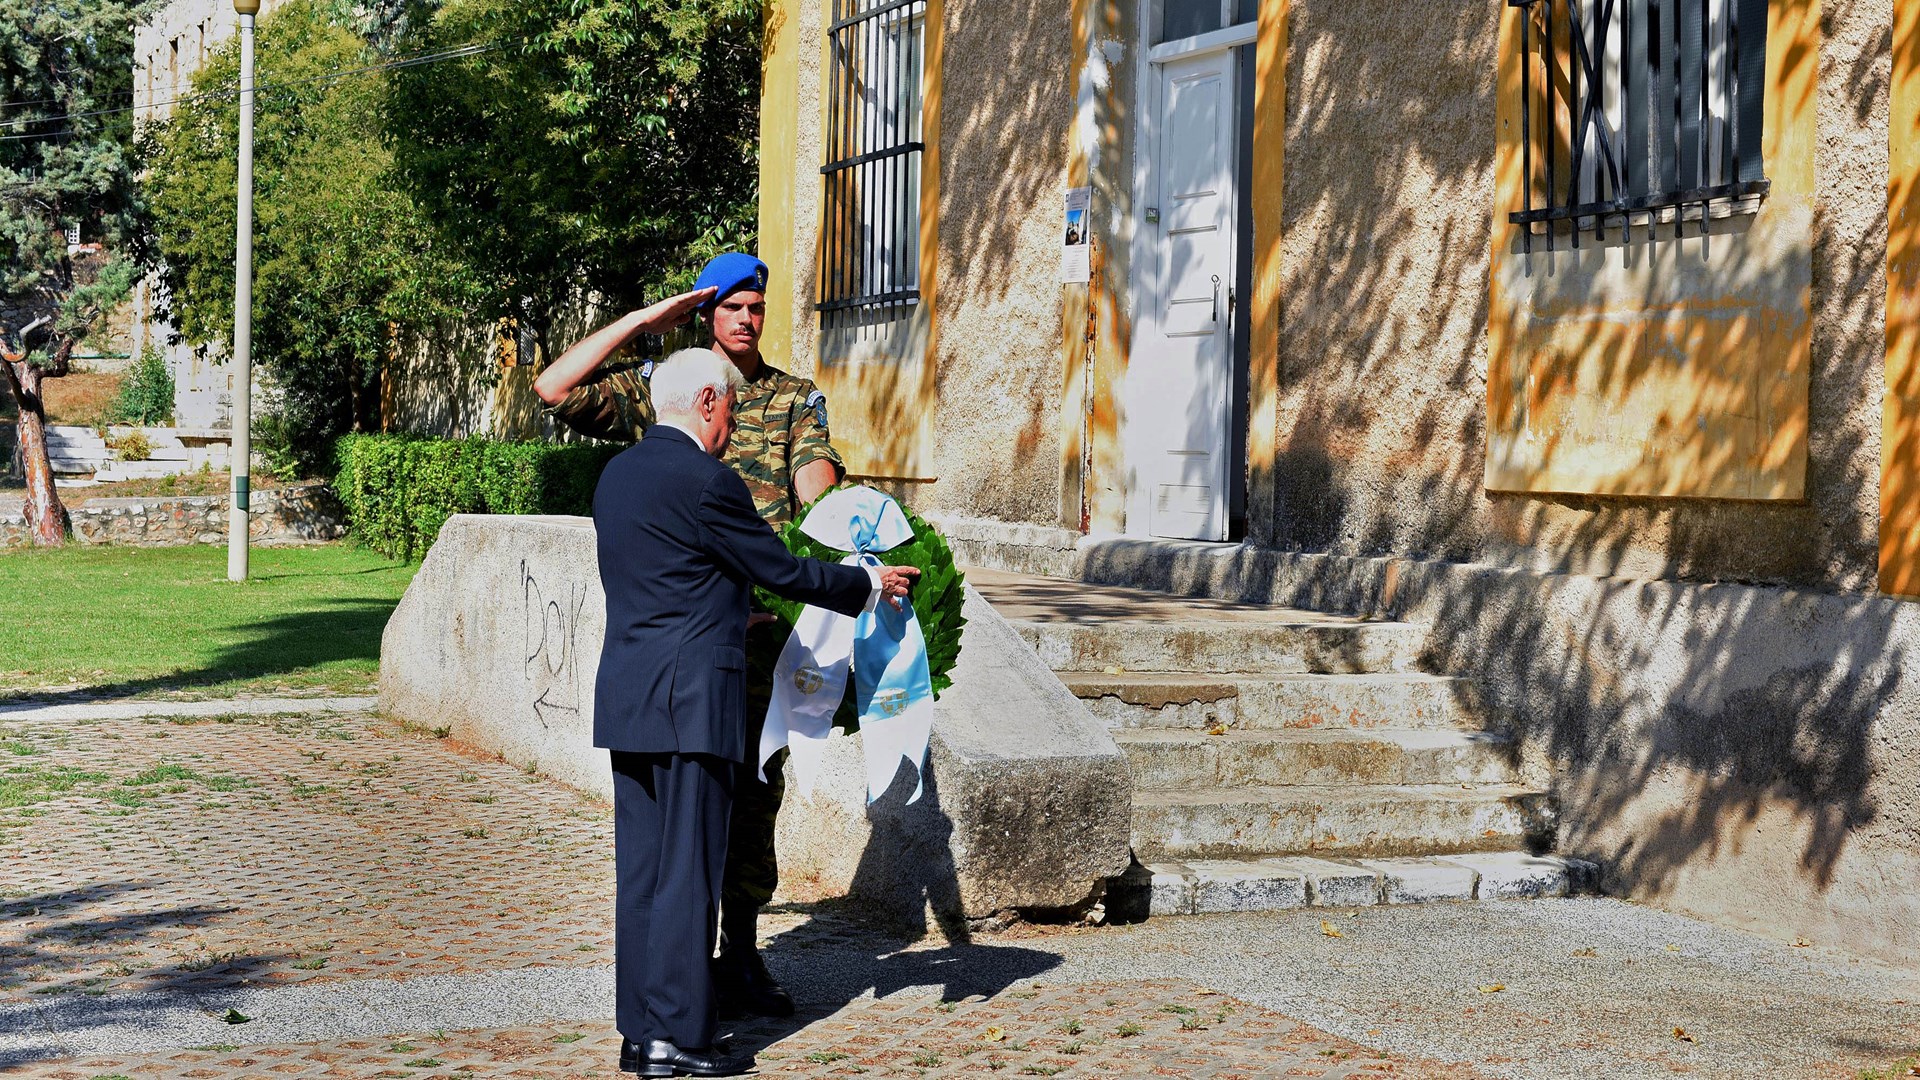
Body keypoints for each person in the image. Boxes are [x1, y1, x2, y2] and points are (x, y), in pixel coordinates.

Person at [593, 348, 918, 1077]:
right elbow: (780, 570)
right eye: (732, 411)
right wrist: (866, 581)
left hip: (629, 698)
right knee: (689, 872)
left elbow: (664, 578)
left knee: (642, 872)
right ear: (708, 401)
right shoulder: (709, 482)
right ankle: (680, 1038)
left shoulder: (617, 476)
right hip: (693, 702)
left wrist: (724, 612)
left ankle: (640, 1031)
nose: (733, 424)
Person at [535, 253, 836, 1019]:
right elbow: (555, 389)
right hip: (694, 631)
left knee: (752, 795)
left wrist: (844, 544)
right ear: (706, 313)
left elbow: (817, 489)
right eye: (731, 306)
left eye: (757, 307)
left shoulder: (792, 398)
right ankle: (682, 969)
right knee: (683, 819)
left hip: (766, 629)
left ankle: (739, 952)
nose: (746, 318)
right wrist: (644, 322)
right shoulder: (664, 389)